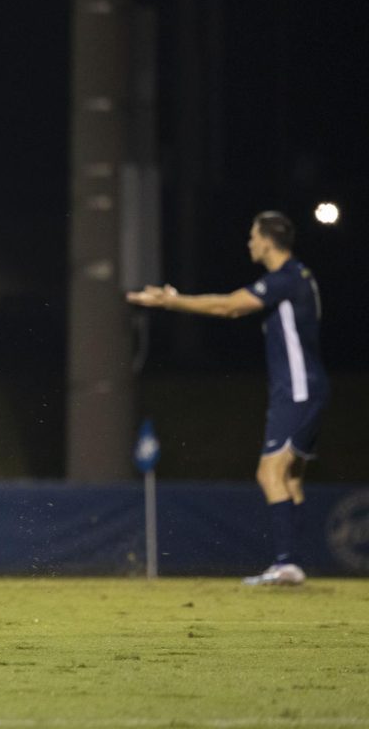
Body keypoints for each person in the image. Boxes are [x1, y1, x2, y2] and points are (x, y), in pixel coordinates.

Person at [127, 211, 328, 586]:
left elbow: (229, 306)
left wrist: (173, 302)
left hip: (298, 390)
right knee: (292, 480)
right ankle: (294, 563)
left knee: (269, 472)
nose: (249, 242)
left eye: (253, 236)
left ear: (268, 240)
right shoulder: (301, 276)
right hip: (308, 388)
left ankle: (287, 563)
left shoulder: (284, 279)